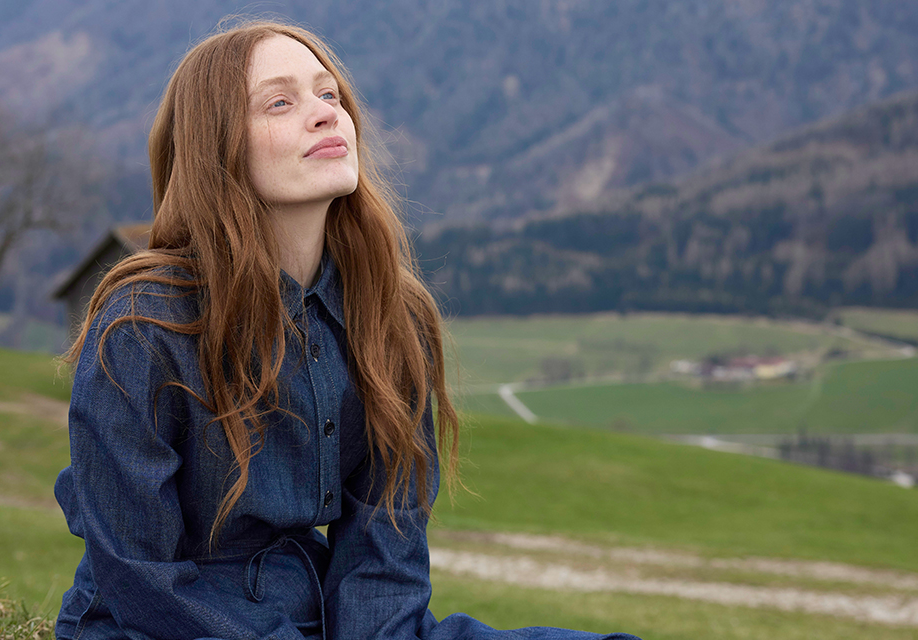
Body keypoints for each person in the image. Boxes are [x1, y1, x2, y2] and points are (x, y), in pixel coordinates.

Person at [54, 19, 642, 640]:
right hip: (164, 624)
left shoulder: (391, 314)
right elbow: (137, 575)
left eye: (328, 93)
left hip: (322, 618)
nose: (324, 113)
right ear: (215, 147)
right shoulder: (143, 323)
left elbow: (382, 560)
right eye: (280, 103)